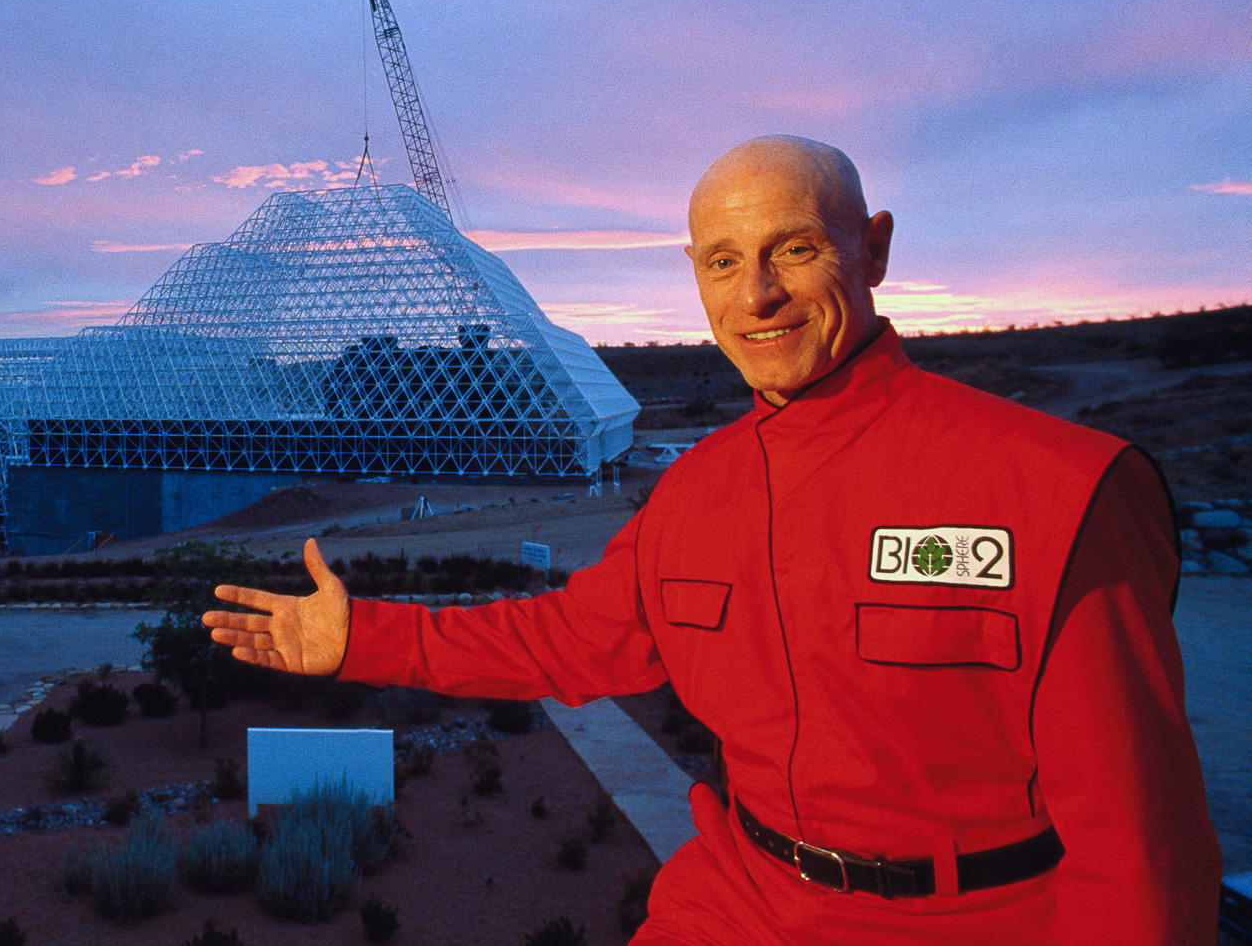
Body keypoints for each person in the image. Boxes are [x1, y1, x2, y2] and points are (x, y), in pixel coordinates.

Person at [203, 136, 1221, 945]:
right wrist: (363, 639)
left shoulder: (1056, 487)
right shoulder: (698, 492)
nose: (756, 296)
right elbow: (564, 639)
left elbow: (1138, 844)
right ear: (693, 274)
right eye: (724, 262)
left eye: (795, 248)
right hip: (742, 901)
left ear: (872, 248)